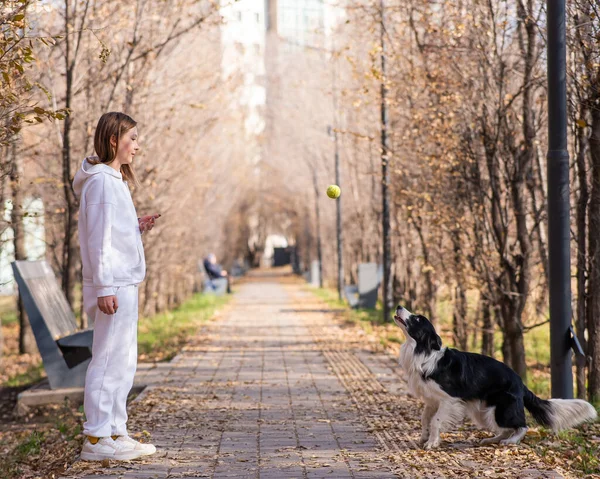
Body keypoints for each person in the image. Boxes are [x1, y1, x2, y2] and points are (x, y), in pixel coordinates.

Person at [73, 112, 160, 461]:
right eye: (133, 138)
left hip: (123, 281)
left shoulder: (113, 180)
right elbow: (98, 241)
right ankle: (95, 438)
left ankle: (115, 431)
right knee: (108, 358)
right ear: (114, 140)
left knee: (123, 360)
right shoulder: (102, 183)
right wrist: (104, 287)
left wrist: (133, 226)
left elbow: (111, 232)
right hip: (113, 285)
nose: (137, 146)